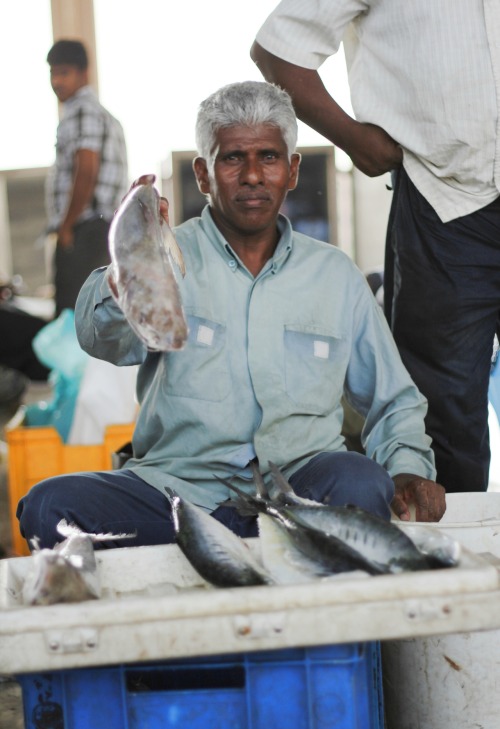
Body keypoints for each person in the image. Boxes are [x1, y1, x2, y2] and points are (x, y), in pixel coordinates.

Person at [17, 81, 445, 552]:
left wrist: (409, 469)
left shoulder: (333, 275)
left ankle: (341, 626)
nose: (253, 175)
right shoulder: (165, 255)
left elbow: (394, 400)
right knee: (48, 505)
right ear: (203, 174)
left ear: (293, 170)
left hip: (300, 491)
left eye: (269, 157)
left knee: (362, 482)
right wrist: (133, 262)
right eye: (232, 158)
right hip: (177, 496)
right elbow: (101, 338)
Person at [250, 1, 500, 495]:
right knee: (443, 419)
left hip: (451, 202)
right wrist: (353, 139)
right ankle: (453, 565)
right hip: (445, 204)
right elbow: (277, 50)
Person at [45, 39, 129, 318]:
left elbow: (87, 169)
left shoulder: (82, 110)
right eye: (52, 73)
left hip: (87, 229)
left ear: (84, 74)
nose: (56, 81)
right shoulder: (103, 115)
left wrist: (66, 227)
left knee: (72, 320)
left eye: (64, 72)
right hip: (101, 230)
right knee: (95, 317)